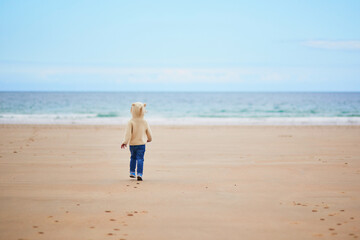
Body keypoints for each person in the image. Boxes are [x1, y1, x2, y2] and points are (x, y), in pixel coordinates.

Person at [121, 102, 152, 181]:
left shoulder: (131, 122)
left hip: (133, 144)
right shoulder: (144, 122)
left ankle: (132, 172)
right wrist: (149, 139)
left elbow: (128, 134)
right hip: (141, 144)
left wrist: (125, 142)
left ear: (132, 110)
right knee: (140, 159)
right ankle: (139, 174)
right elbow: (149, 132)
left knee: (133, 158)